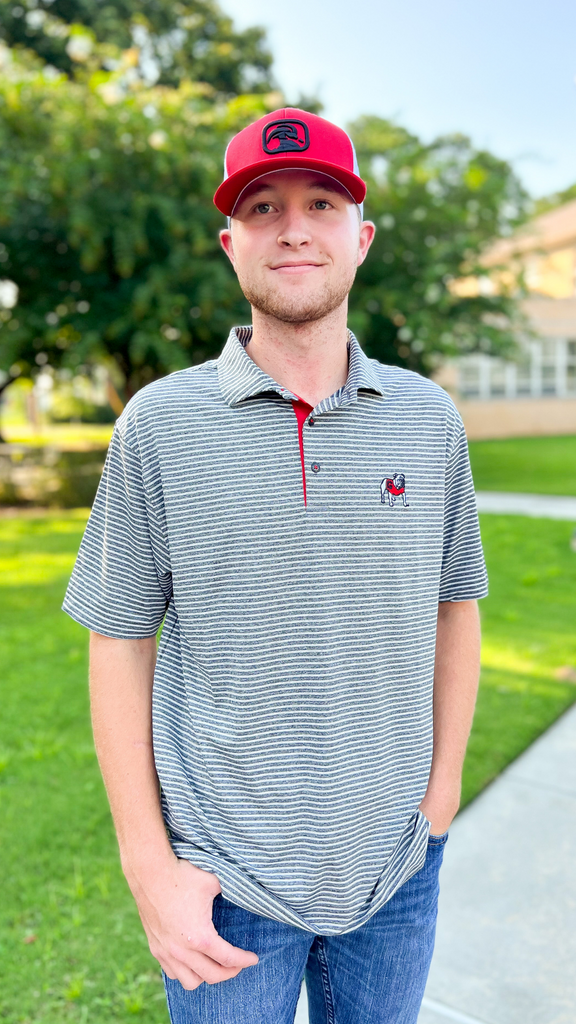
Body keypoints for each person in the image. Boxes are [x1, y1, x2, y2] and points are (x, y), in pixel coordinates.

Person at [62, 107, 487, 1024]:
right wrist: (149, 869)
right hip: (223, 876)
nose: (293, 225)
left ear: (361, 238)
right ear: (230, 243)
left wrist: (441, 795)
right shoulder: (158, 425)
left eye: (321, 201)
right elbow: (119, 640)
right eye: (262, 205)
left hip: (397, 865)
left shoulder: (428, 419)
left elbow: (456, 603)